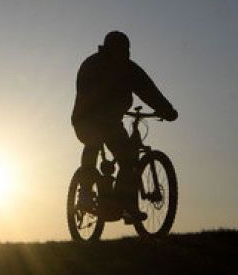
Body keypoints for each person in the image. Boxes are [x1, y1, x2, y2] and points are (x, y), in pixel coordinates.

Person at [72, 31, 178, 223]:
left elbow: (148, 90)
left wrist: (166, 109)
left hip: (111, 122)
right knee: (93, 142)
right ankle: (85, 195)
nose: (122, 53)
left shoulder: (129, 69)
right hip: (86, 119)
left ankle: (125, 204)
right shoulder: (93, 65)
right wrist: (101, 109)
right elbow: (85, 92)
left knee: (128, 159)